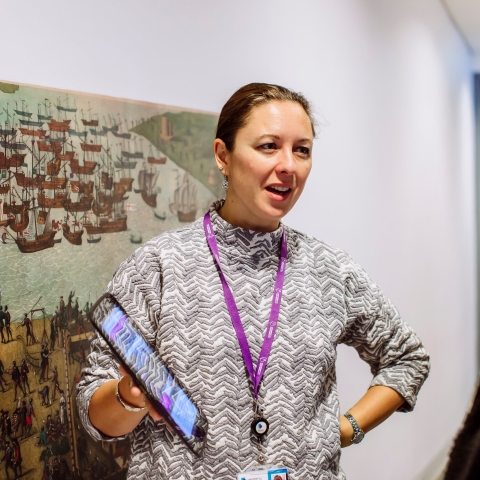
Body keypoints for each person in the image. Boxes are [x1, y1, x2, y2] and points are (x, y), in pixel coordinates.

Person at [77, 83, 430, 479]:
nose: (288, 166)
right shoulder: (159, 266)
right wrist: (129, 396)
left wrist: (346, 429)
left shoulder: (330, 270)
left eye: (302, 150)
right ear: (222, 156)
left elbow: (406, 358)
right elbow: (96, 416)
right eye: (268, 146)